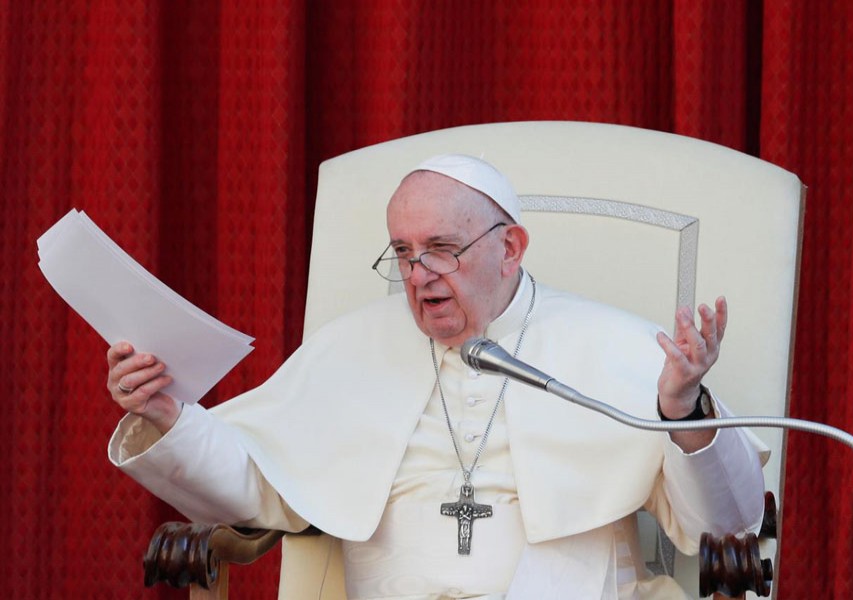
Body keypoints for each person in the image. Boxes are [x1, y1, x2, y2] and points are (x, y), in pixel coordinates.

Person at [107, 154, 766, 599]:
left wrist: (683, 414)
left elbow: (726, 523)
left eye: (442, 250)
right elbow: (254, 484)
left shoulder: (617, 346)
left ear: (509, 249)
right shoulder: (351, 347)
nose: (419, 276)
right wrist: (170, 414)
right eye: (402, 253)